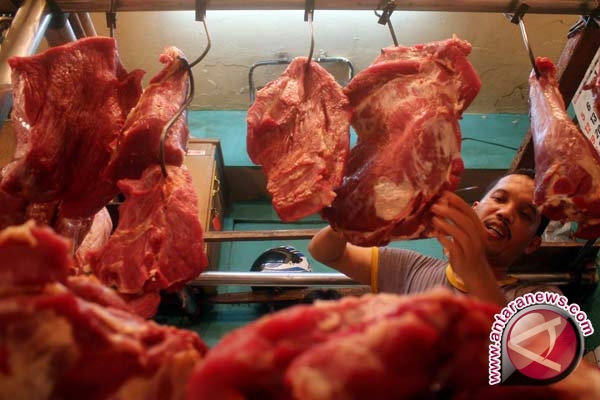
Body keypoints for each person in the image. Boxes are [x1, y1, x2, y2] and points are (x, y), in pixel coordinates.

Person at [308, 168, 561, 307]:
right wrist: (349, 220)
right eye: (499, 199)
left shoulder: (540, 299)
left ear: (533, 244)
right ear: (474, 208)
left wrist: (475, 271)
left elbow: (533, 364)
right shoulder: (410, 269)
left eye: (525, 214)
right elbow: (326, 252)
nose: (505, 213)